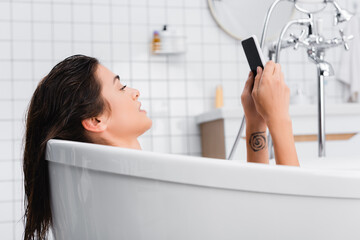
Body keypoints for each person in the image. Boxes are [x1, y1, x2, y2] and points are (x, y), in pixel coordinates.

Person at [22, 55, 298, 240]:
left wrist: (255, 123)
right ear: (95, 120)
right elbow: (291, 222)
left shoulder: (113, 194)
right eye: (121, 87)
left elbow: (259, 209)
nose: (134, 92)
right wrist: (279, 118)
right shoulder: (151, 195)